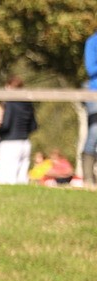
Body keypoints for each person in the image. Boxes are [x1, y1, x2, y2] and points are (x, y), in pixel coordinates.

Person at [0, 76, 36, 186]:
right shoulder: (28, 104)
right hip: (25, 143)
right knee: (22, 178)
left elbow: (6, 124)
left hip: (10, 143)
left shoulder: (10, 103)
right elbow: (33, 126)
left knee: (6, 179)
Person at [82, 27, 97, 187]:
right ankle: (87, 178)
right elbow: (90, 68)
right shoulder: (92, 42)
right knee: (94, 132)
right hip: (95, 92)